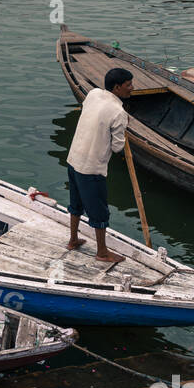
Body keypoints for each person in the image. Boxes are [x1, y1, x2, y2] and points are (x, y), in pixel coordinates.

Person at [65, 67, 134, 263]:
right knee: (99, 211)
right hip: (91, 167)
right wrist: (123, 126)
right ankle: (102, 252)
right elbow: (118, 147)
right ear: (117, 87)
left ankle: (73, 240)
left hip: (74, 158)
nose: (132, 88)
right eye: (128, 85)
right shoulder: (118, 112)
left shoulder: (94, 94)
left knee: (76, 203)